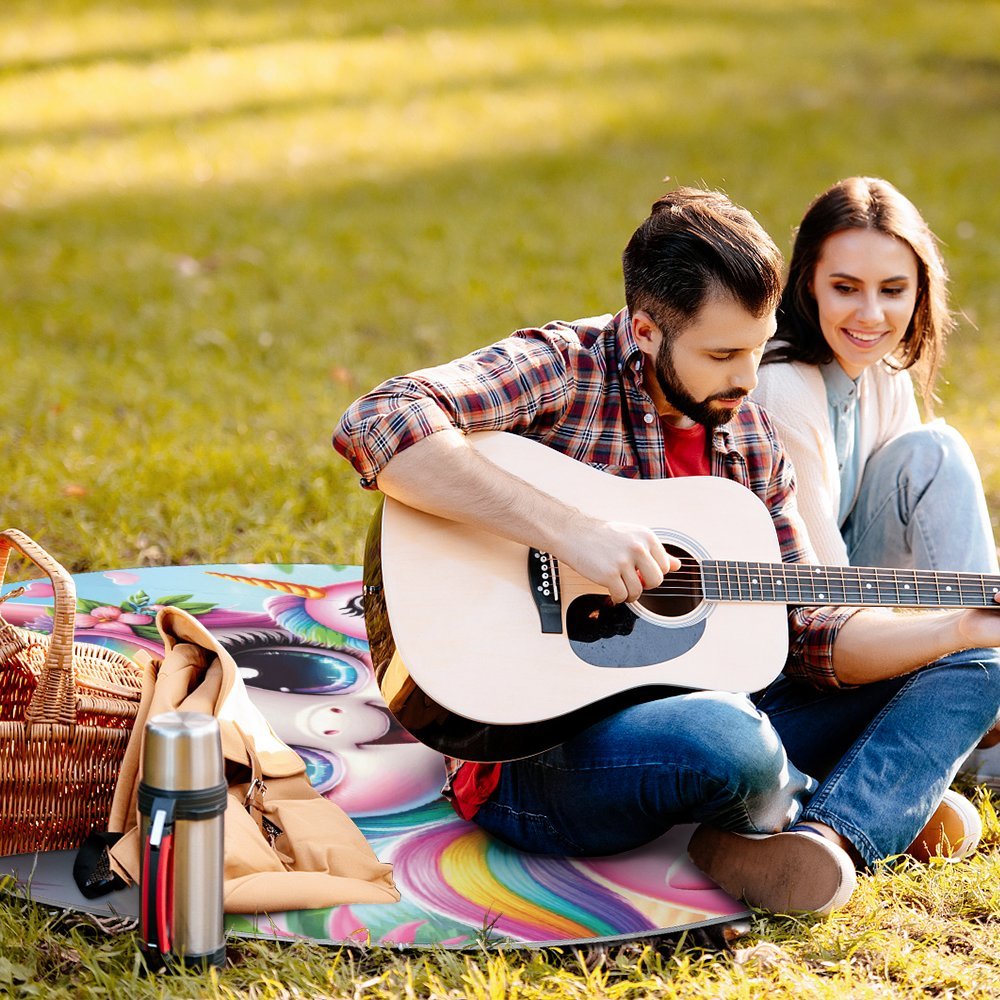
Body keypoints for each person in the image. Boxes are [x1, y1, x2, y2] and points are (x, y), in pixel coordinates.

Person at [333, 188, 1000, 916]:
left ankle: (830, 836)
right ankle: (857, 796)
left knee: (980, 664)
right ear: (646, 331)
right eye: (722, 354)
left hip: (725, 708)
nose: (748, 380)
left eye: (757, 346)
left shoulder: (747, 436)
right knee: (728, 741)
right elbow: (380, 419)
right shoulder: (564, 367)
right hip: (535, 754)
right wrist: (568, 530)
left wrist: (956, 628)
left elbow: (810, 629)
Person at [753, 176, 1000, 788]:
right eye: (845, 288)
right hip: (795, 649)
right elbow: (824, 603)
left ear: (920, 291)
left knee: (931, 451)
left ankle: (978, 695)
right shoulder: (783, 386)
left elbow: (919, 546)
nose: (871, 315)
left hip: (861, 614)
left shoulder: (882, 370)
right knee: (937, 451)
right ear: (807, 281)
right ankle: (977, 727)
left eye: (893, 290)